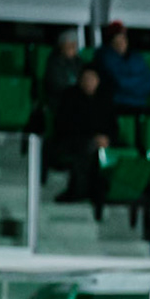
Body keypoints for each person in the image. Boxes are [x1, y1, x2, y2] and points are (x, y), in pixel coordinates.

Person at [49, 66, 119, 207]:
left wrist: (107, 139)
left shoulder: (105, 98)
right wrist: (93, 138)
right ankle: (79, 190)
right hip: (74, 140)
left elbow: (113, 125)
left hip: (103, 141)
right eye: (86, 79)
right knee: (86, 149)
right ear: (80, 80)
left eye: (92, 79)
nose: (89, 82)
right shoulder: (70, 96)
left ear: (98, 81)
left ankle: (112, 191)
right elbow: (64, 126)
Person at [92, 22, 150, 114]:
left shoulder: (136, 57)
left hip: (141, 105)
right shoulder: (105, 57)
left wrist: (132, 83)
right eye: (117, 39)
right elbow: (120, 82)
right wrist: (140, 82)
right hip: (117, 106)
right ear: (111, 41)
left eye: (123, 38)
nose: (121, 43)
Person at [43, 30, 84, 99]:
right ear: (62, 47)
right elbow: (56, 85)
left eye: (74, 46)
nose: (73, 49)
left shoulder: (79, 62)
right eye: (70, 46)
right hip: (60, 98)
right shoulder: (54, 62)